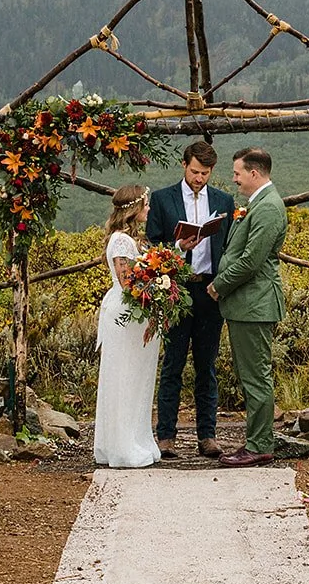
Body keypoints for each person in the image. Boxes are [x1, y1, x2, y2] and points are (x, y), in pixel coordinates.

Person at [144, 140, 234, 459]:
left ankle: (207, 436)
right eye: (195, 171)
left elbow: (230, 245)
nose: (199, 178)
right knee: (173, 363)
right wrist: (178, 245)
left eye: (205, 173)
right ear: (184, 165)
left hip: (210, 291)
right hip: (177, 289)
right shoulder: (162, 199)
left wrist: (222, 283)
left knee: (206, 366)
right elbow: (151, 245)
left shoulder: (224, 200)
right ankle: (165, 436)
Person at [207, 147, 287, 468]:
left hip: (255, 305)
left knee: (256, 377)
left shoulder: (268, 208)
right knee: (251, 375)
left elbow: (251, 261)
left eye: (238, 173)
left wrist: (219, 284)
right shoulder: (258, 204)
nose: (235, 179)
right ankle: (256, 439)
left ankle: (259, 445)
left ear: (255, 173)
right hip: (245, 306)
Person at [93, 184, 164, 469]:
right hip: (127, 313)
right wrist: (157, 286)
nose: (148, 209)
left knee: (140, 379)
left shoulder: (136, 240)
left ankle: (139, 438)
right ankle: (122, 446)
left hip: (141, 312)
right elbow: (127, 283)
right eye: (145, 204)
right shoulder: (121, 242)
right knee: (124, 376)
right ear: (134, 209)